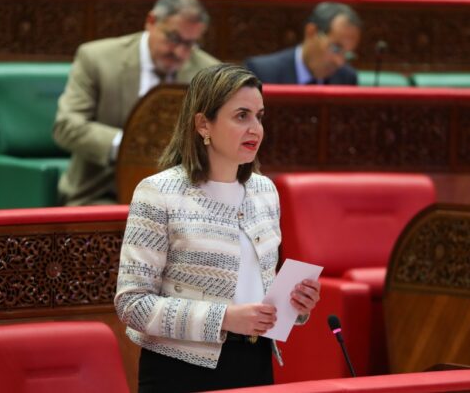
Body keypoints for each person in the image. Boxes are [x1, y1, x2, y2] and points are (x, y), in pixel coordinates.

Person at [114, 64, 321, 392]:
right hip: (180, 371)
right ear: (202, 124)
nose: (255, 129)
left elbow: (258, 289)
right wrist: (224, 318)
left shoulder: (265, 191)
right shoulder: (158, 192)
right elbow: (133, 304)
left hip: (255, 360)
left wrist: (294, 304)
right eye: (241, 116)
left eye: (259, 116)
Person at [53, 0, 219, 206]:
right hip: (102, 193)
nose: (180, 52)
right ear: (151, 21)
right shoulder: (97, 59)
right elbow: (66, 126)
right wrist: (129, 146)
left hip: (183, 199)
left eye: (190, 44)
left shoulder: (210, 72)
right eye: (173, 38)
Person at [245, 2, 361, 86]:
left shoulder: (346, 78)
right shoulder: (262, 73)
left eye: (347, 54)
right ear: (311, 32)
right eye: (336, 48)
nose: (339, 62)